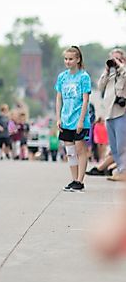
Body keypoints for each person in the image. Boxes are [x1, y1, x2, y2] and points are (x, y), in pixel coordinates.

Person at [55, 46, 92, 192]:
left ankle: (80, 180)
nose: (68, 62)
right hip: (66, 118)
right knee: (70, 151)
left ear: (78, 60)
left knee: (80, 149)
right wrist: (58, 117)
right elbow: (59, 98)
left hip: (79, 119)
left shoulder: (84, 77)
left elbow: (85, 100)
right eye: (66, 59)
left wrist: (81, 120)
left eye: (71, 59)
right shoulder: (62, 77)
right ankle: (73, 179)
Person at [98, 48, 126, 181]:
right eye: (113, 59)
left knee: (122, 145)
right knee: (114, 147)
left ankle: (123, 171)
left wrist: (120, 66)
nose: (115, 62)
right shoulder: (110, 76)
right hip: (109, 114)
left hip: (122, 113)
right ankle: (121, 170)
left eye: (118, 59)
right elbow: (100, 86)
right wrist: (107, 70)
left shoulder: (124, 72)